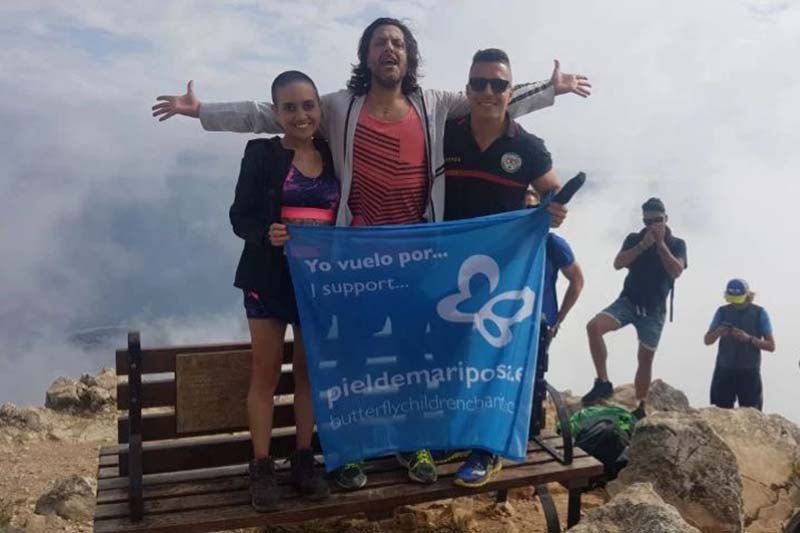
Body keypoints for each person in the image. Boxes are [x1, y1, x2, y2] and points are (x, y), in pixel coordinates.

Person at [152, 17, 590, 489]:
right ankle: (351, 451)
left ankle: (413, 442)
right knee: (351, 356)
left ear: (409, 55)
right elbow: (271, 112)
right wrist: (202, 112)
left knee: (413, 354)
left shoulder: (433, 103)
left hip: (416, 254)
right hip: (354, 254)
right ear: (366, 54)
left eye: (398, 43)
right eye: (380, 42)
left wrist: (550, 89)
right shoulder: (342, 106)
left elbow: (494, 99)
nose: (390, 49)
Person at [440, 48, 574, 487]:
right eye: (479, 83)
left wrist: (554, 210)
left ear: (509, 91)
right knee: (456, 360)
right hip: (447, 272)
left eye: (498, 84)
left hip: (504, 278)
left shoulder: (528, 146)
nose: (488, 92)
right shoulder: (444, 134)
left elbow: (553, 191)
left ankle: (488, 449)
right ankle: (460, 436)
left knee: (494, 363)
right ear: (468, 89)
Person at [230, 71, 335, 511]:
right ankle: (261, 467)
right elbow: (239, 216)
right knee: (267, 373)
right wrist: (264, 232)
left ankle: (304, 459)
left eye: (308, 105)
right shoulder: (260, 154)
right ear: (276, 112)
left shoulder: (332, 154)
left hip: (316, 282)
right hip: (267, 280)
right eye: (290, 107)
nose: (300, 115)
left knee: (309, 373)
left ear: (318, 109)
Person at [583, 198, 686, 419]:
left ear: (666, 218)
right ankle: (603, 382)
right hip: (629, 301)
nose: (653, 225)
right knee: (594, 327)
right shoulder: (634, 238)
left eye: (657, 220)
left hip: (654, 309)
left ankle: (640, 404)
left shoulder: (677, 243)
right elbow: (618, 263)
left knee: (645, 358)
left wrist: (660, 245)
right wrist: (642, 245)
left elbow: (676, 270)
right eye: (648, 221)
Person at [525, 187, 584, 440]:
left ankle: (528, 436)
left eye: (533, 209)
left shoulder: (552, 244)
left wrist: (558, 320)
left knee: (534, 381)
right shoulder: (507, 242)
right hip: (506, 323)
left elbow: (577, 281)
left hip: (541, 324)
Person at [703, 279, 775, 410]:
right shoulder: (722, 312)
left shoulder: (759, 313)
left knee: (752, 417)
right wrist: (718, 332)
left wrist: (749, 339)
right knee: (721, 415)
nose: (735, 304)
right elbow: (707, 340)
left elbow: (771, 346)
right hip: (724, 371)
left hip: (749, 373)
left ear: (747, 296)